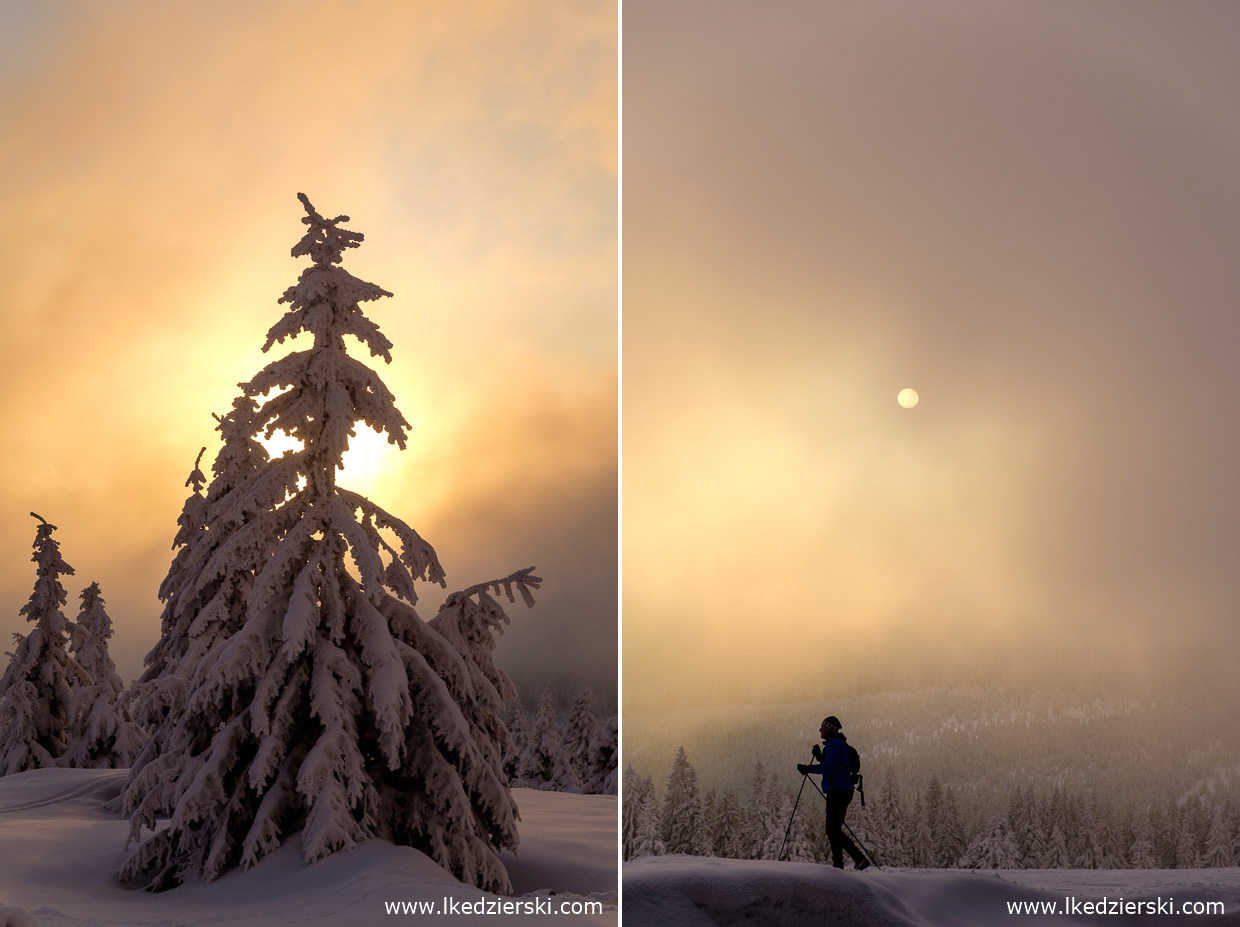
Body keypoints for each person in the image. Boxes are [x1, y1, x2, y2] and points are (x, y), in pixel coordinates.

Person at [797, 716, 869, 870]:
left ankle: (856, 860)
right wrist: (819, 757)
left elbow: (830, 767)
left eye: (822, 727)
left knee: (832, 829)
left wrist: (809, 769)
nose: (820, 730)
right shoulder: (836, 743)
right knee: (833, 829)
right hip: (841, 789)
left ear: (829, 729)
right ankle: (840, 864)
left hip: (839, 790)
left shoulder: (834, 744)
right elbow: (833, 764)